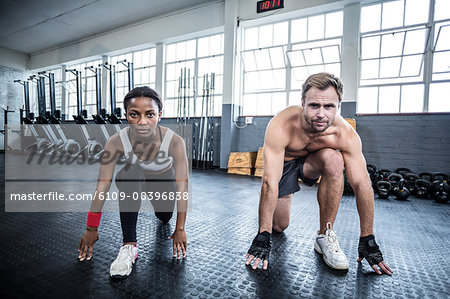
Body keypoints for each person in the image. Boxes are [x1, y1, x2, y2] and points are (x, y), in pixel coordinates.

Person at [245, 73, 392, 275]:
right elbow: (269, 182)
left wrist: (368, 237)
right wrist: (263, 234)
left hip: (313, 163)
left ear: (338, 106)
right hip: (285, 166)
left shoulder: (345, 134)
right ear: (303, 103)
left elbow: (362, 184)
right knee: (278, 227)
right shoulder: (282, 124)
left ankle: (324, 236)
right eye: (314, 105)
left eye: (328, 107)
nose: (321, 114)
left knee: (334, 158)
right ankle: (272, 213)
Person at [77, 86, 189, 278]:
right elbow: (102, 185)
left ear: (160, 115)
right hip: (135, 179)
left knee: (164, 217)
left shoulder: (175, 141)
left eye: (150, 114)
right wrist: (91, 227)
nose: (142, 122)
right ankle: (129, 246)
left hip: (163, 182)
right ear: (126, 116)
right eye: (134, 115)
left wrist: (180, 229)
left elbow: (182, 185)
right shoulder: (115, 142)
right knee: (130, 173)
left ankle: (161, 210)